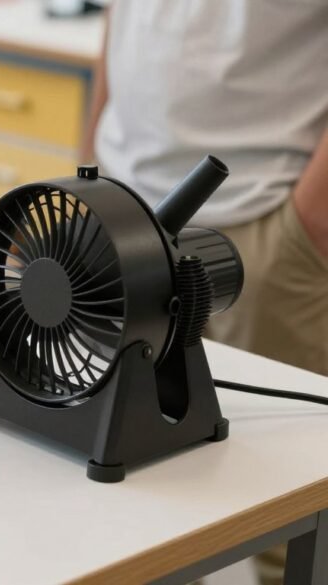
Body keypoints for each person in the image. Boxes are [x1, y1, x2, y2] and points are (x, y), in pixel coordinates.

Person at [83, 2, 328, 583]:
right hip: (122, 203)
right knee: (118, 478)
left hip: (267, 216)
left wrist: (310, 219)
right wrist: (90, 160)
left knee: (288, 502)